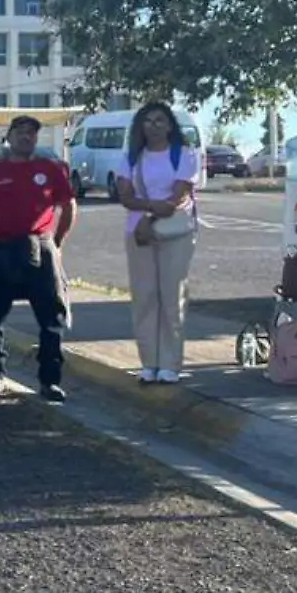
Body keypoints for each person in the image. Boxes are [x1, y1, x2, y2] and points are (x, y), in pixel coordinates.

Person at [0, 115, 76, 402]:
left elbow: (68, 206)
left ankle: (50, 381)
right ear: (10, 136)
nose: (26, 137)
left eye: (31, 133)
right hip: (2, 247)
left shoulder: (51, 169)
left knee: (52, 317)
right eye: (20, 132)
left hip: (39, 247)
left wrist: (57, 243)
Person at [116, 102, 200, 385]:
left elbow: (178, 196)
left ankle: (170, 364)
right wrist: (153, 208)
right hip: (138, 233)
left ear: (169, 125)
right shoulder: (130, 158)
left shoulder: (183, 155)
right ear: (140, 127)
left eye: (160, 120)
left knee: (172, 296)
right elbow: (125, 196)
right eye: (148, 121)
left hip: (175, 232)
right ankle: (149, 362)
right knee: (145, 297)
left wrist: (149, 212)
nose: (154, 126)